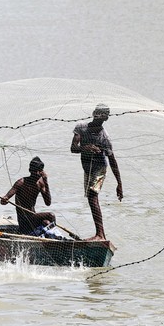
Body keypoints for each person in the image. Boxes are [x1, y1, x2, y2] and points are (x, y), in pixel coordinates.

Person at [70, 103, 123, 241]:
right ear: (93, 114)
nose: (99, 118)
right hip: (87, 168)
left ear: (105, 119)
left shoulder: (104, 137)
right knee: (90, 198)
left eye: (103, 117)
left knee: (93, 196)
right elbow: (73, 148)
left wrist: (119, 183)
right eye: (98, 115)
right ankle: (100, 233)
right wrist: (86, 148)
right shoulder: (81, 127)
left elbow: (112, 160)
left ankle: (100, 234)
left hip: (99, 168)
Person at [0, 156, 56, 235]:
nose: (38, 173)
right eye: (35, 171)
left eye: (40, 171)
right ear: (30, 171)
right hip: (24, 220)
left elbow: (48, 203)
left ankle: (52, 238)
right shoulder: (21, 183)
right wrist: (4, 199)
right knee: (51, 216)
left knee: (47, 223)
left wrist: (46, 181)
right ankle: (51, 236)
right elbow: (3, 201)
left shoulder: (40, 183)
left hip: (33, 218)